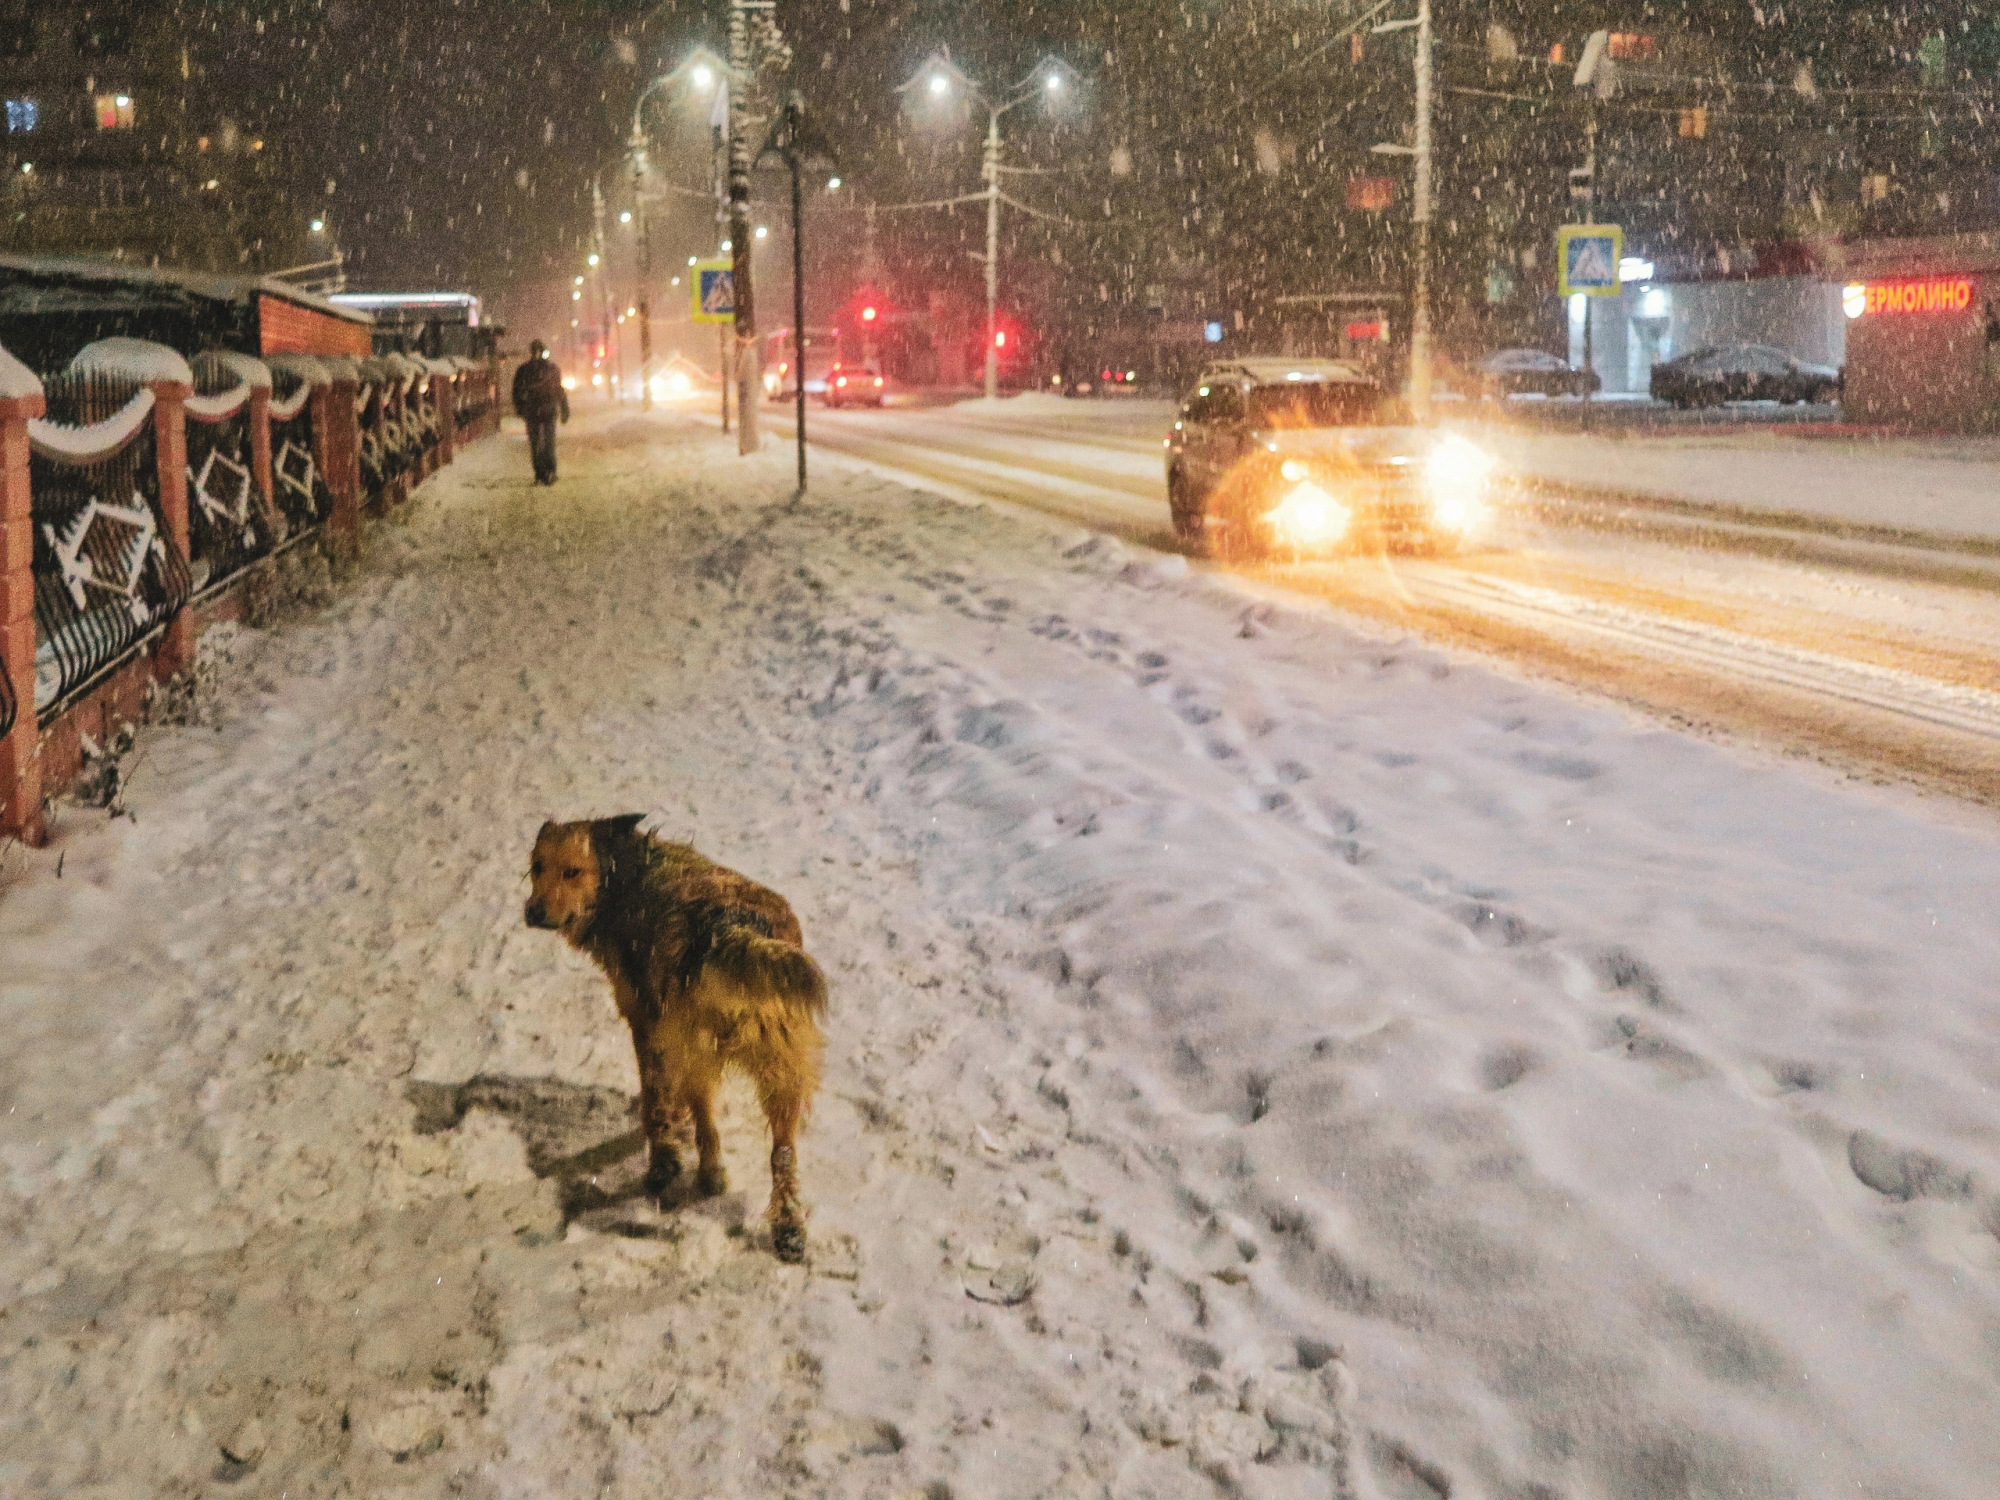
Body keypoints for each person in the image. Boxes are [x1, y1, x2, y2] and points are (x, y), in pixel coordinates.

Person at [512, 340, 570, 485]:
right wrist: (564, 409)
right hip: (549, 409)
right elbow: (559, 390)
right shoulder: (552, 369)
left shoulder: (523, 370)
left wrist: (520, 408)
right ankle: (550, 471)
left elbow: (516, 391)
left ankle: (539, 473)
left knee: (535, 443)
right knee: (549, 442)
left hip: (532, 410)